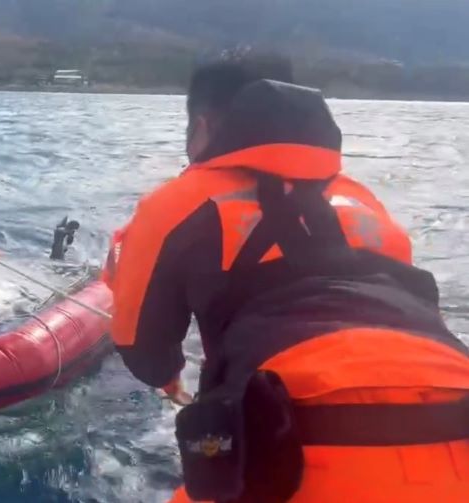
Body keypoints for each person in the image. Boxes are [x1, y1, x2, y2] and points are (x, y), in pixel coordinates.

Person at [107, 53, 469, 503]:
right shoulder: (363, 201)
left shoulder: (175, 203)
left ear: (201, 126)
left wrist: (170, 377)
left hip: (290, 454)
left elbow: (144, 355)